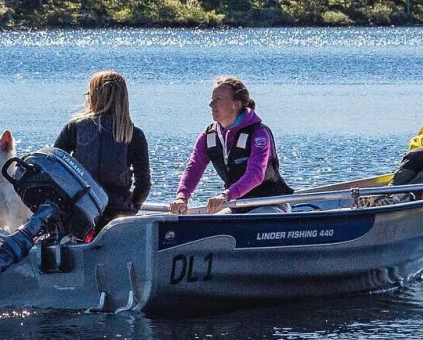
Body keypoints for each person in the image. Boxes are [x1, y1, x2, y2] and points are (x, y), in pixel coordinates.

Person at [169, 76, 293, 214]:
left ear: (236, 104)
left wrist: (226, 195)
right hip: (237, 205)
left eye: (218, 99)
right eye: (211, 99)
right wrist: (182, 197)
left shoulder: (258, 133)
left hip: (270, 204)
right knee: (214, 224)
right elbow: (194, 168)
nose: (211, 104)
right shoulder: (209, 135)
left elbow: (256, 174)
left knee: (245, 225)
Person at [53, 70, 151, 228]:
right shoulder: (134, 134)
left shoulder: (75, 128)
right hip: (118, 211)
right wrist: (133, 206)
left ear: (94, 97)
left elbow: (55, 166)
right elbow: (144, 183)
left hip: (80, 207)